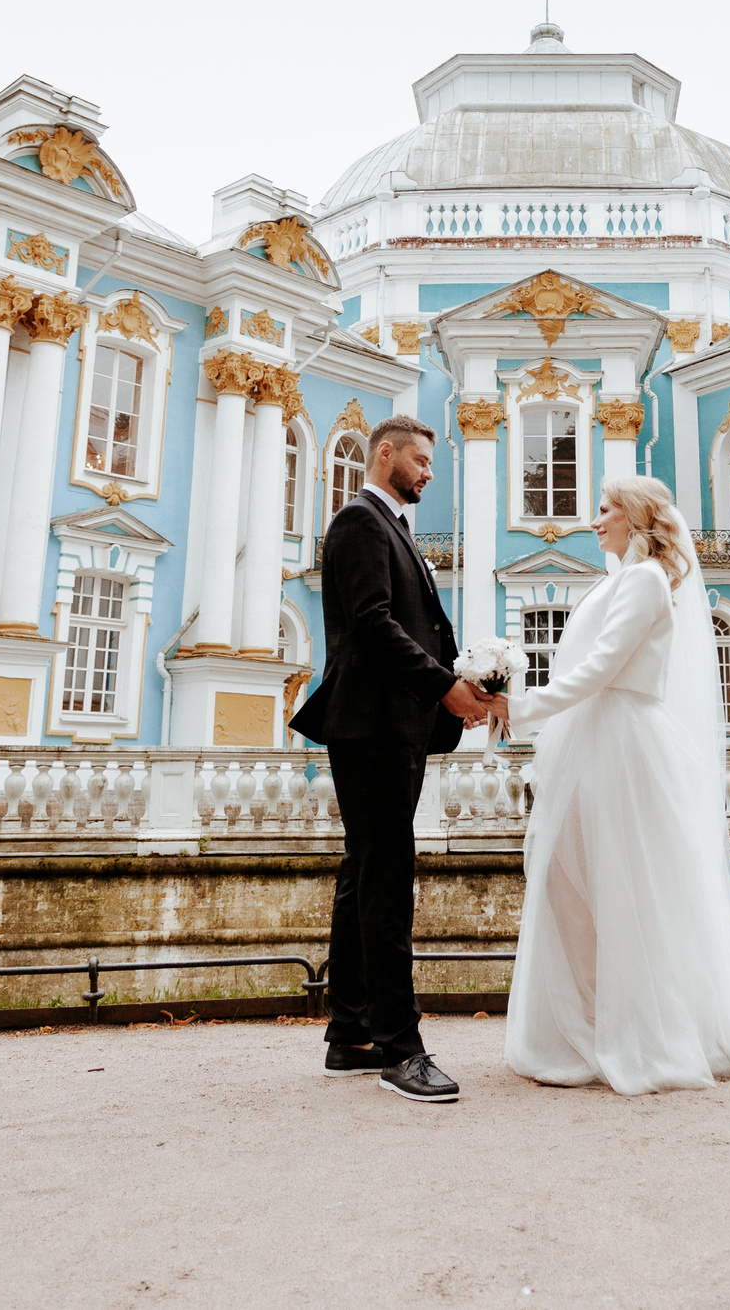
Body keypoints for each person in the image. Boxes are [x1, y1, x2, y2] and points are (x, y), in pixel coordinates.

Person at [491, 473, 730, 1094]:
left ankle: (637, 1032)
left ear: (636, 518)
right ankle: (594, 1022)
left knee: (622, 885)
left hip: (620, 741)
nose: (594, 520)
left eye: (605, 509)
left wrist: (522, 707)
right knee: (571, 879)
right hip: (593, 737)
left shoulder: (644, 580)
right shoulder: (620, 578)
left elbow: (602, 667)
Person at [288, 415, 492, 1103]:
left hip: (392, 723)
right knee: (386, 880)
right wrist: (444, 686)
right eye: (422, 460)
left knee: (364, 873)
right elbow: (373, 625)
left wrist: (457, 682)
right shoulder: (360, 521)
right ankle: (401, 1049)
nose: (429, 471)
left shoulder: (392, 526)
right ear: (386, 455)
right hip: (373, 723)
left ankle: (350, 1033)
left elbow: (409, 624)